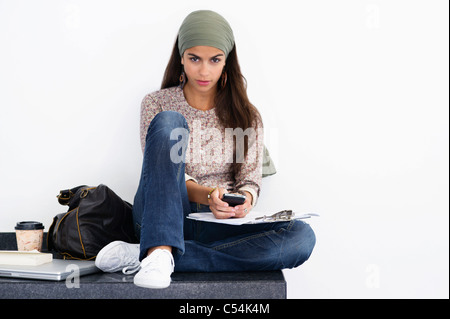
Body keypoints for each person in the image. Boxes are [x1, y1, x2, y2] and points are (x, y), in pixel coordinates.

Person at [95, 10, 316, 289]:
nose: (204, 71)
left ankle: (153, 255)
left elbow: (249, 181)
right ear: (181, 57)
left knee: (301, 237)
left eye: (215, 60)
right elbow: (164, 172)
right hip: (166, 214)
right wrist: (209, 194)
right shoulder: (157, 104)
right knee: (169, 122)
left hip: (220, 224)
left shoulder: (247, 115)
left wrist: (244, 200)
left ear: (226, 61)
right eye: (194, 59)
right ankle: (160, 245)